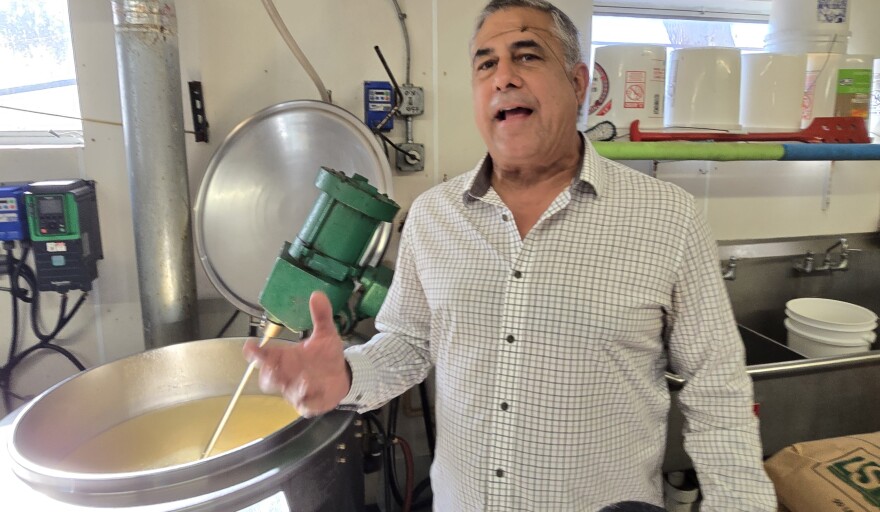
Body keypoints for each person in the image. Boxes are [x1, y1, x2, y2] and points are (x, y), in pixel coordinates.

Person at [244, 0, 778, 510]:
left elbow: (717, 393)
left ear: (577, 83)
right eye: (485, 64)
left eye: (527, 55)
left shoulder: (668, 220)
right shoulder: (433, 217)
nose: (503, 76)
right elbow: (409, 341)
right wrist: (347, 375)